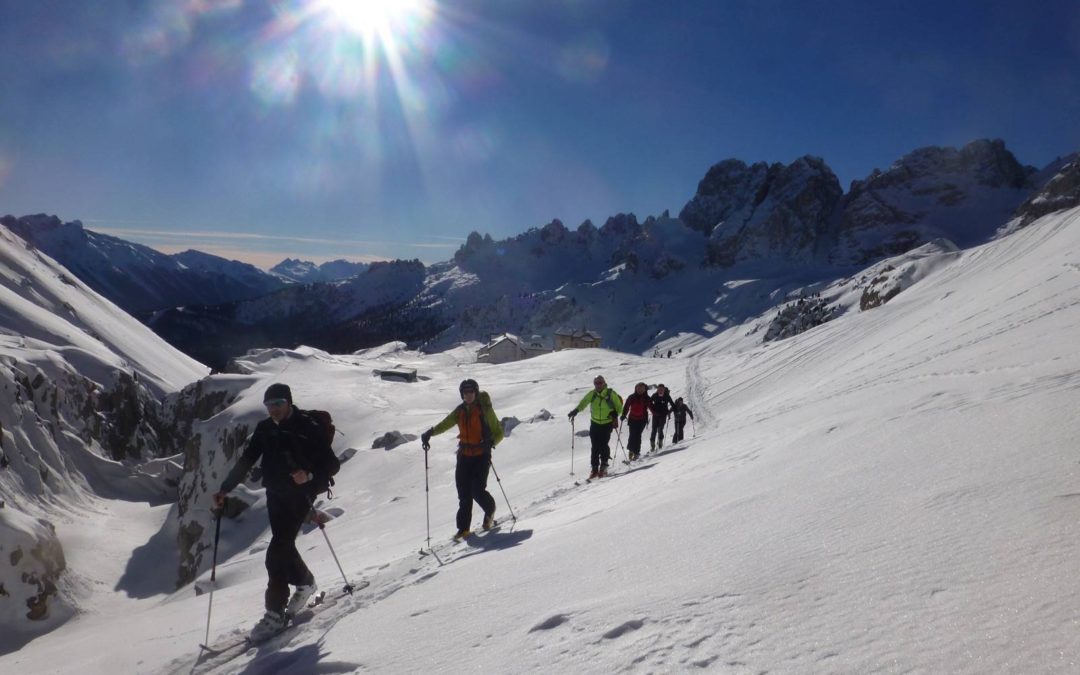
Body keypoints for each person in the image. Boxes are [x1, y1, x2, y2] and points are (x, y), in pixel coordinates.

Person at [213, 383, 340, 641]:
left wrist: (310, 474)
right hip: (275, 494)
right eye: (269, 405)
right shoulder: (265, 429)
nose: (273, 409)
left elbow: (332, 464)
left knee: (276, 552)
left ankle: (275, 613)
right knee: (284, 546)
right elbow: (247, 459)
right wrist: (225, 488)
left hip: (301, 495)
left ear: (289, 402)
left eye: (278, 403)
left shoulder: (308, 427)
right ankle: (305, 583)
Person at [421, 379, 504, 540]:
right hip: (464, 456)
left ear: (476, 392)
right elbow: (445, 424)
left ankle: (490, 510)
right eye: (465, 393)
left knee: (477, 491)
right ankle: (463, 529)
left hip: (481, 455)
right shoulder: (459, 411)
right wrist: (430, 433)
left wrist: (491, 443)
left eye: (471, 392)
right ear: (462, 394)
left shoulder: (484, 410)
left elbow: (498, 431)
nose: (468, 395)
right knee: (464, 493)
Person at [568, 375, 623, 478]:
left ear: (604, 383)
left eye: (600, 383)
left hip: (607, 424)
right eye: (596, 383)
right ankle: (594, 468)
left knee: (603, 445)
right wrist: (576, 411)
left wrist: (615, 414)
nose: (598, 385)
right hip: (594, 423)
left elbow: (620, 408)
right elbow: (583, 403)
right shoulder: (592, 394)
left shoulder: (611, 394)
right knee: (594, 447)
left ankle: (604, 466)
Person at [620, 382, 653, 461]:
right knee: (632, 435)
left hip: (642, 420)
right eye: (638, 388)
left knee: (637, 435)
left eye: (642, 388)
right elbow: (626, 406)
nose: (640, 390)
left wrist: (657, 413)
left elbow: (652, 407)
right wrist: (624, 415)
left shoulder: (647, 398)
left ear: (645, 389)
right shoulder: (631, 397)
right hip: (632, 419)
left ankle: (636, 452)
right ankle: (631, 450)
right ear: (636, 388)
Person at [649, 383, 675, 451]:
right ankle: (652, 446)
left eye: (662, 389)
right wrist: (652, 410)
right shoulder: (655, 395)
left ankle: (660, 443)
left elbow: (672, 404)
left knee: (660, 429)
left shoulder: (667, 396)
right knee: (654, 430)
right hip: (655, 415)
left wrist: (670, 411)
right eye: (659, 389)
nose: (660, 390)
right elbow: (649, 403)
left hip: (663, 415)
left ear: (664, 390)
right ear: (657, 389)